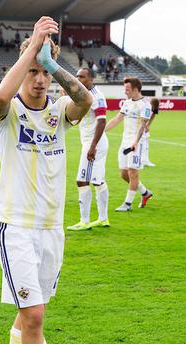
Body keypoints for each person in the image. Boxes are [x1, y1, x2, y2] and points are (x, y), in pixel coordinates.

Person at [0, 16, 92, 344]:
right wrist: (32, 48)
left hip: (52, 229)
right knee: (34, 315)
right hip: (16, 227)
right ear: (21, 68)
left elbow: (83, 101)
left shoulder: (57, 112)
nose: (38, 80)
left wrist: (51, 63)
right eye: (32, 71)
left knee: (29, 313)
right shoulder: (6, 113)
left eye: (42, 72)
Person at [66, 67, 110, 231]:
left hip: (94, 144)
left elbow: (102, 122)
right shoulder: (84, 95)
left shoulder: (97, 97)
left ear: (91, 79)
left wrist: (92, 147)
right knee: (98, 180)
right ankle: (103, 219)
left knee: (82, 180)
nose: (78, 78)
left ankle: (84, 221)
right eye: (77, 76)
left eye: (82, 76)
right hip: (92, 143)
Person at [105, 77, 154, 212]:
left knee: (133, 173)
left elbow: (142, 125)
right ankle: (145, 193)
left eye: (127, 89)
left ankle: (128, 203)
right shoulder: (126, 103)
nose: (125, 92)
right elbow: (117, 119)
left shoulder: (145, 105)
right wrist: (102, 131)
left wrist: (136, 142)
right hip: (125, 141)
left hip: (137, 142)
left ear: (136, 89)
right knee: (123, 174)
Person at [140, 98, 160, 167]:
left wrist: (148, 125)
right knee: (141, 143)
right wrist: (145, 126)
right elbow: (141, 119)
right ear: (151, 104)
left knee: (146, 142)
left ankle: (146, 161)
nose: (153, 109)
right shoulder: (145, 105)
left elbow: (153, 115)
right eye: (153, 107)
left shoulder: (156, 106)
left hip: (145, 124)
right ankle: (140, 162)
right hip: (138, 124)